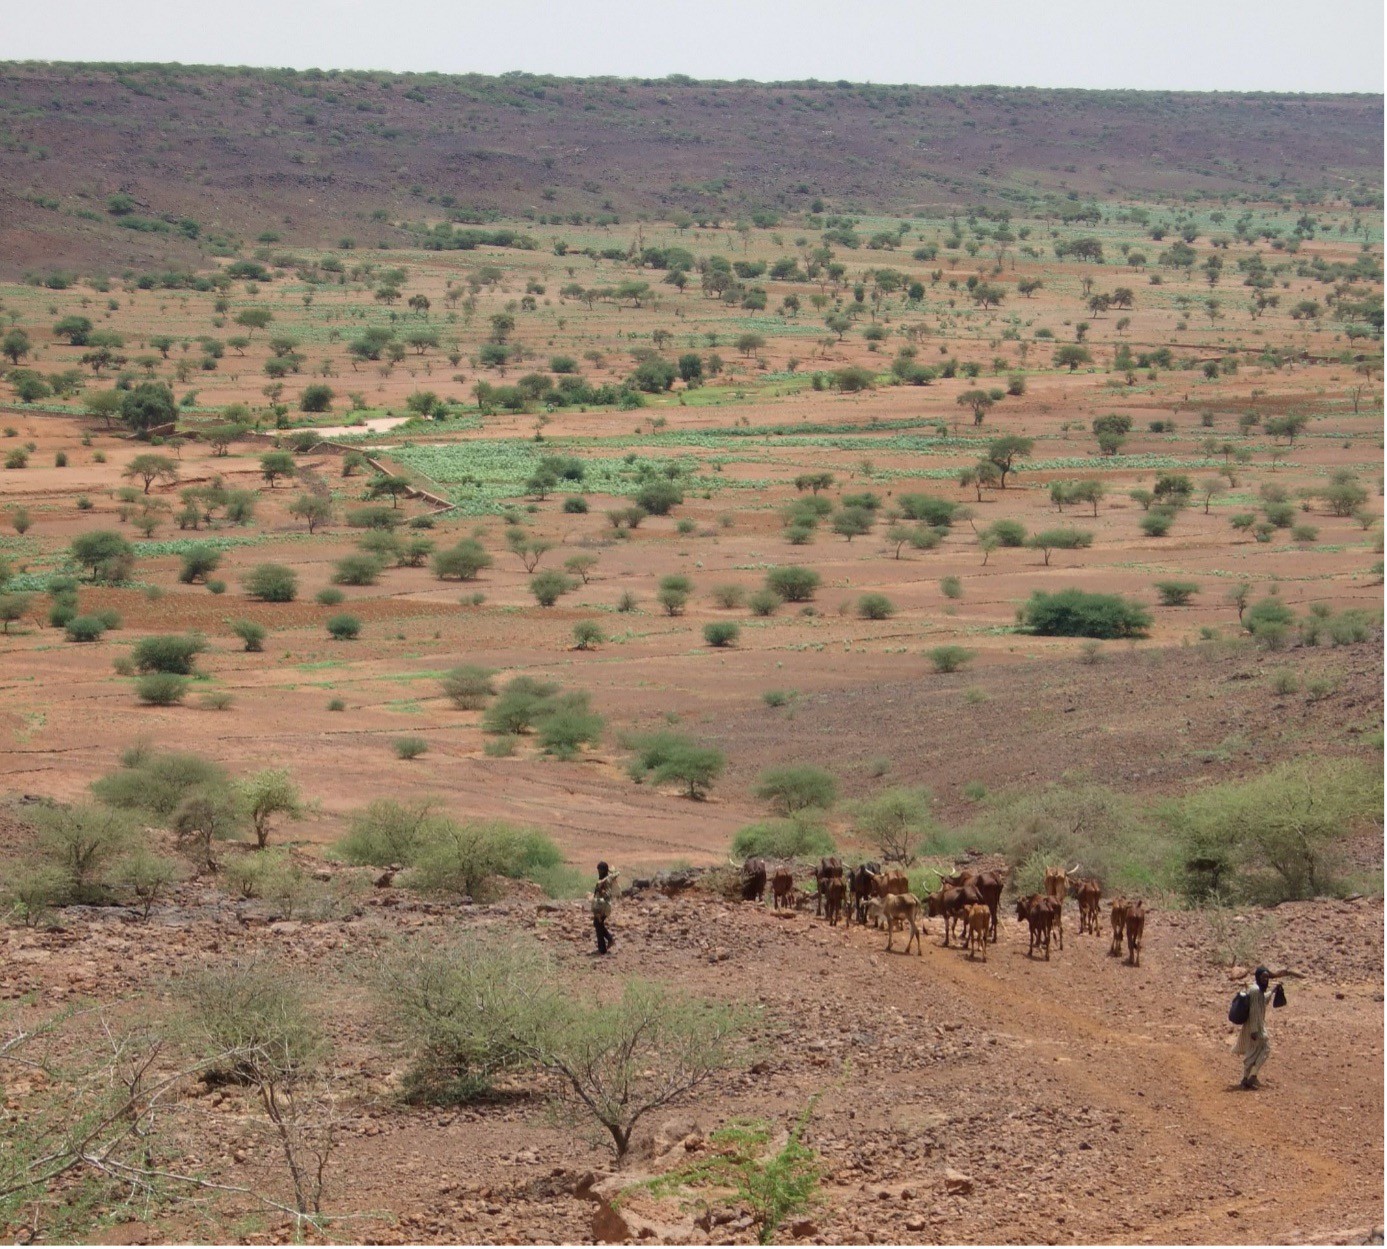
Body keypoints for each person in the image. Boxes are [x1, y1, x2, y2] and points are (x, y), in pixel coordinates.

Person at [1234, 966, 1274, 1089]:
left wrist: (1272, 991)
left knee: (1256, 1052)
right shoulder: (1256, 990)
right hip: (1255, 1027)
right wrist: (1254, 1031)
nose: (1265, 980)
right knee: (1261, 1050)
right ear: (1258, 977)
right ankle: (1249, 1078)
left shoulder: (1257, 990)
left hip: (1256, 1026)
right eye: (1263, 977)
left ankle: (1249, 1078)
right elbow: (1254, 1011)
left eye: (1267, 977)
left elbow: (1262, 1001)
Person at [591, 861, 619, 955]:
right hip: (601, 905)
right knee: (598, 924)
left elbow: (607, 895)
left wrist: (601, 892)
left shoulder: (606, 880)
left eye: (600, 870)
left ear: (604, 870)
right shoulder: (604, 879)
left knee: (598, 924)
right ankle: (607, 942)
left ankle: (603, 947)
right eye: (598, 870)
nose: (599, 872)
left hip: (603, 906)